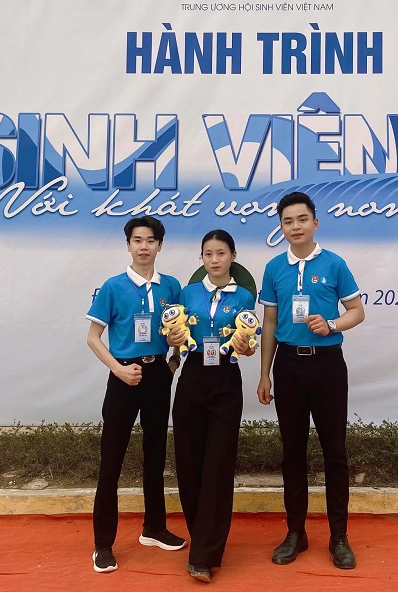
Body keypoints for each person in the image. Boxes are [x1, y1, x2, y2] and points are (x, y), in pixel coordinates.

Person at [256, 192, 365, 570]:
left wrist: (331, 324)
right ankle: (295, 533)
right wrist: (265, 373)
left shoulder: (334, 264)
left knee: (335, 452)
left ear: (315, 223)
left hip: (328, 365)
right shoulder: (274, 268)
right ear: (281, 227)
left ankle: (339, 537)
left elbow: (357, 311)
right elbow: (270, 322)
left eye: (302, 219)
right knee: (292, 453)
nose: (296, 226)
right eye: (288, 221)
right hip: (288, 366)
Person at [86, 216, 187, 573]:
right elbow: (93, 338)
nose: (144, 246)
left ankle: (154, 528)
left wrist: (173, 360)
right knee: (111, 460)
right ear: (128, 245)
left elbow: (178, 332)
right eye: (137, 240)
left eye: (150, 240)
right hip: (124, 377)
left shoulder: (171, 286)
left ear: (160, 245)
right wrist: (118, 369)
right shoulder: (113, 287)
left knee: (155, 455)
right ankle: (103, 544)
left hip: (158, 374)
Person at [171, 229, 257, 583]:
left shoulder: (245, 296)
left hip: (225, 381)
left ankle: (204, 554)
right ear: (202, 258)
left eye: (221, 253)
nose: (215, 259)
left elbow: (247, 342)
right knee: (189, 464)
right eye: (208, 253)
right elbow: (174, 336)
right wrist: (172, 338)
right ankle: (202, 537)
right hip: (191, 378)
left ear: (233, 256)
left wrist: (248, 348)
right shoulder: (187, 292)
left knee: (218, 466)